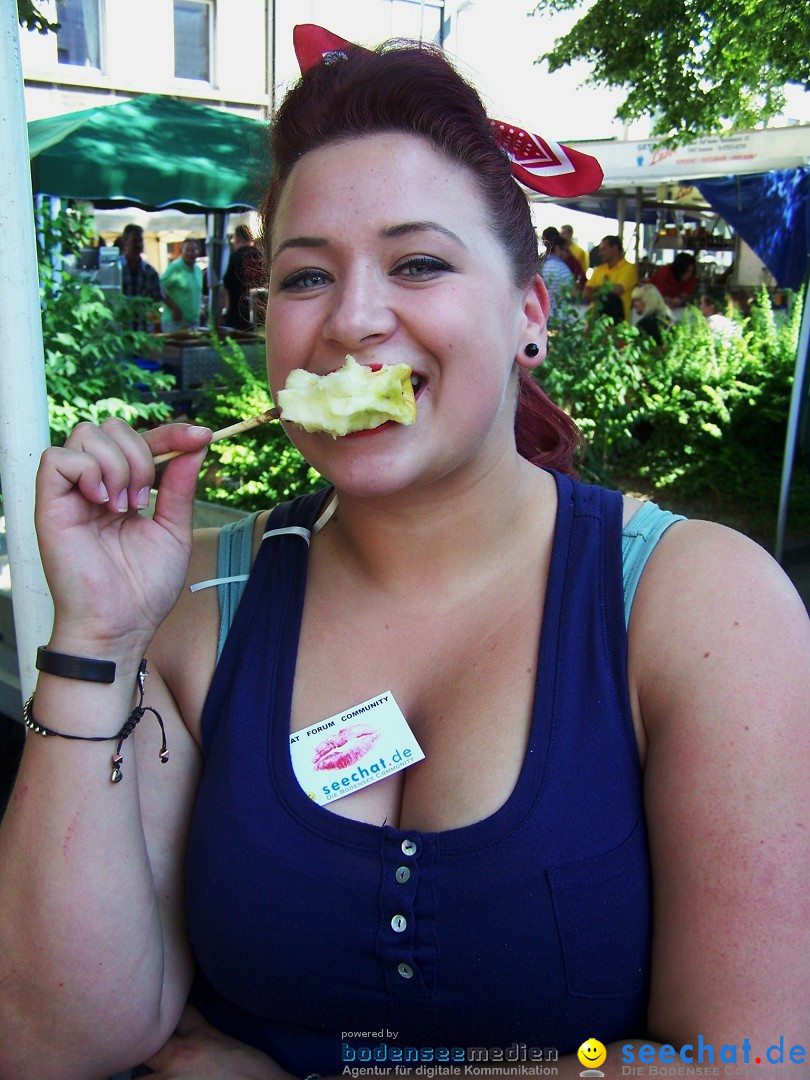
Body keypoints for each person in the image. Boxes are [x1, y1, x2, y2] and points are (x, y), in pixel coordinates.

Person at [0, 24, 808, 1080]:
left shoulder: (700, 609)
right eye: (303, 278)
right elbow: (51, 1041)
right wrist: (96, 640)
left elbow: (759, 1058)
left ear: (529, 316)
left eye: (418, 262)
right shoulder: (204, 609)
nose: (352, 321)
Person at [118, 223, 164, 330]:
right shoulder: (115, 269)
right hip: (120, 333)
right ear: (125, 242)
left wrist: (157, 329)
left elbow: (157, 304)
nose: (139, 244)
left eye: (141, 241)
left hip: (144, 333)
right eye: (134, 241)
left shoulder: (150, 272)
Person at [584, 234, 638, 320]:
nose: (600, 254)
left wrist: (595, 290)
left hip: (616, 324)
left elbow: (616, 292)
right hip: (593, 322)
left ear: (615, 249)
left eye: (603, 250)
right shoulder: (598, 269)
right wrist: (603, 290)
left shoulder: (629, 268)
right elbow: (586, 293)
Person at [219, 224, 264, 330]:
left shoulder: (233, 257)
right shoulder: (261, 256)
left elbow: (224, 289)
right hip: (259, 313)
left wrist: (223, 312)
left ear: (237, 239)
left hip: (236, 313)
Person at [161, 238, 204, 330]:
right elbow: (159, 287)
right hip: (176, 322)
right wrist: (174, 309)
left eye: (193, 250)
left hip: (193, 322)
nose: (189, 253)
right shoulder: (175, 267)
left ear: (198, 252)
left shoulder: (198, 270)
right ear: (181, 251)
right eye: (187, 250)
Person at [539, 228, 576, 323]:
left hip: (543, 315)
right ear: (558, 249)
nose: (566, 253)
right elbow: (571, 293)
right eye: (564, 249)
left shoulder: (542, 265)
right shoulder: (562, 268)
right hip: (559, 316)